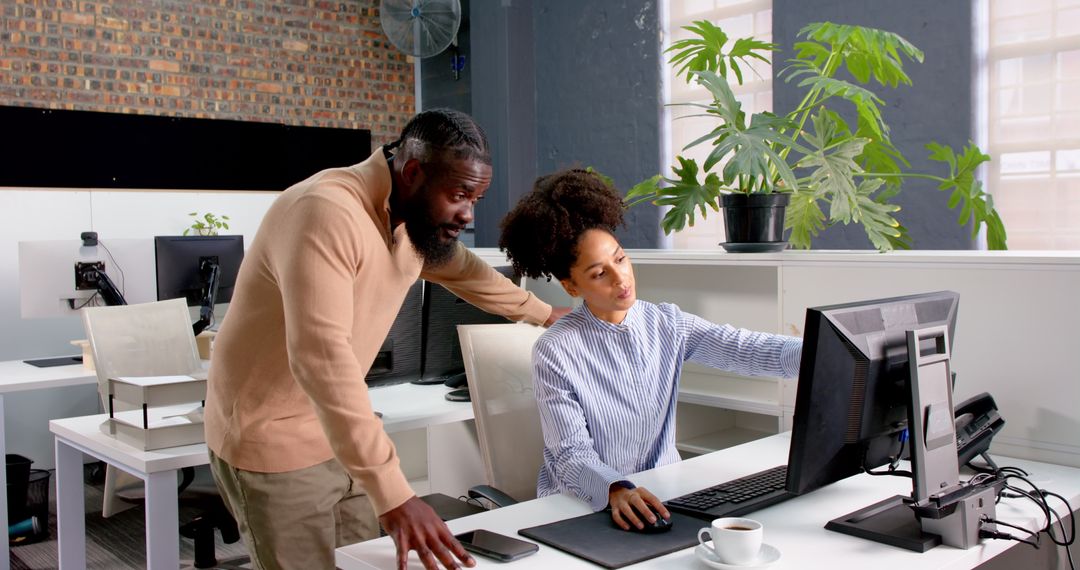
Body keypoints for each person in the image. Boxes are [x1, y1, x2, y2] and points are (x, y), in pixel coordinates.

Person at [205, 108, 569, 570]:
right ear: (412, 172)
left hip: (343, 435)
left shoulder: (410, 220)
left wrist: (544, 314)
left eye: (476, 198)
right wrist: (396, 494)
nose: (467, 214)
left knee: (360, 565)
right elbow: (322, 361)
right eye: (459, 195)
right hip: (275, 439)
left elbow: (464, 270)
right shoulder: (326, 212)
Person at [497, 169, 802, 531]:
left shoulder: (667, 323)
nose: (620, 278)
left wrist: (824, 350)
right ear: (571, 286)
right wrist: (616, 488)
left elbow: (745, 349)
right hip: (584, 506)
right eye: (599, 274)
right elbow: (570, 454)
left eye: (620, 259)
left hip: (664, 494)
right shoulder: (556, 350)